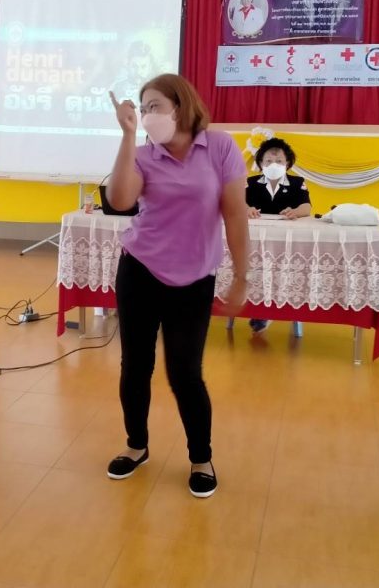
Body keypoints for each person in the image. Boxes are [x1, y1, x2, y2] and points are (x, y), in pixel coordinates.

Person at [105, 74, 249, 498]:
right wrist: (127, 136)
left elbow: (235, 214)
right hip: (140, 270)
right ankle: (136, 445)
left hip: (194, 278)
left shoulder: (219, 147)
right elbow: (119, 200)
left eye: (155, 106)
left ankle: (201, 457)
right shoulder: (143, 154)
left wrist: (242, 276)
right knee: (135, 365)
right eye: (143, 108)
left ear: (180, 107)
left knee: (185, 372)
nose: (147, 114)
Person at [244, 137, 313, 333]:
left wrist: (295, 212)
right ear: (260, 163)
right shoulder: (251, 183)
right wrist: (246, 209)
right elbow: (239, 202)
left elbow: (306, 207)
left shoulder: (297, 182)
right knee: (256, 271)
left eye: (279, 161)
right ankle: (259, 310)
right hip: (257, 242)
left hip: (287, 242)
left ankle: (278, 308)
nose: (273, 165)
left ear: (288, 163)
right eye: (268, 161)